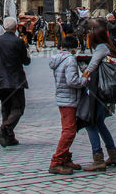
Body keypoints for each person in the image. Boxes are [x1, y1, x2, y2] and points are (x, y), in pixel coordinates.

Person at [81, 23, 116, 170]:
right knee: (100, 123)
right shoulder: (108, 47)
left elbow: (91, 68)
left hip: (99, 92)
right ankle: (114, 155)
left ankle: (98, 160)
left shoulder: (101, 48)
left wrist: (82, 78)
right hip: (105, 91)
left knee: (91, 123)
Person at [48, 34, 86, 175]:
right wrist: (84, 80)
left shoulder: (58, 59)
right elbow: (72, 81)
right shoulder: (70, 60)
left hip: (63, 98)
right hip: (69, 99)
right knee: (69, 131)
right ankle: (56, 162)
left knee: (69, 129)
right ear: (74, 48)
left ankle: (65, 158)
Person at [0, 17, 30, 147]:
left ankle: (8, 138)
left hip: (0, 80)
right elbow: (26, 61)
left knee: (6, 109)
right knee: (18, 108)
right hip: (14, 81)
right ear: (15, 27)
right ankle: (5, 128)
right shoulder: (18, 42)